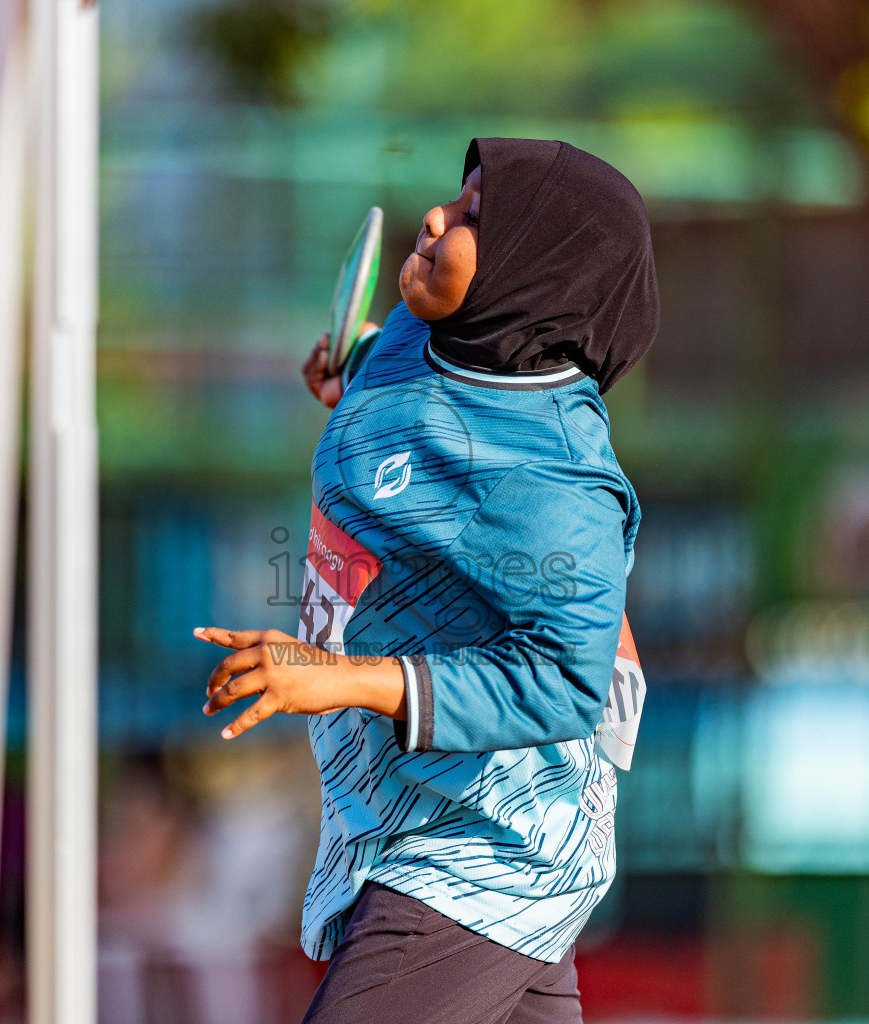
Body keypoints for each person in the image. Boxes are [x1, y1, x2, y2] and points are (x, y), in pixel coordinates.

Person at [195, 137, 659, 1024]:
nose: (438, 217)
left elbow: (565, 679)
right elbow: (421, 416)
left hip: (490, 844)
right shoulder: (432, 334)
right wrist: (357, 369)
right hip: (413, 814)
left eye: (479, 217)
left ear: (538, 272)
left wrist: (337, 679)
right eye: (459, 196)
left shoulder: (556, 478)